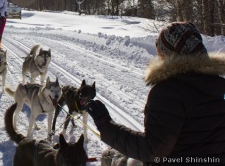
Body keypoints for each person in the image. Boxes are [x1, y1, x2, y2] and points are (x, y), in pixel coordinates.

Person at [87, 22, 225, 165]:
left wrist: (106, 125)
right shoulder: (216, 85)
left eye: (160, 51)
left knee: (109, 157)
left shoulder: (168, 92)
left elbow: (152, 151)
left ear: (168, 54)